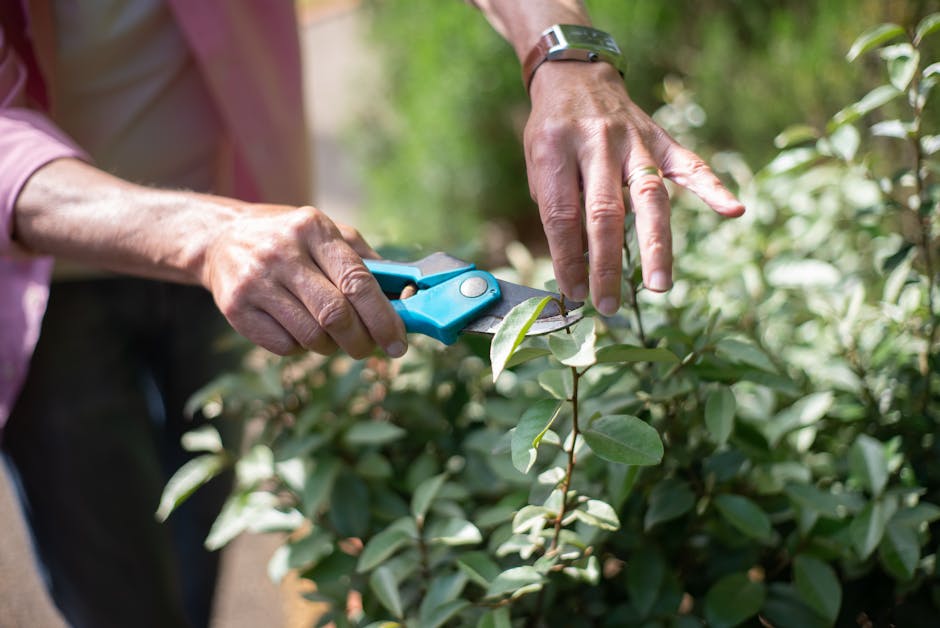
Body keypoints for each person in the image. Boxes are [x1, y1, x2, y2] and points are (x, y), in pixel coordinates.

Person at [0, 1, 744, 626]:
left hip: (248, 219)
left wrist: (563, 51)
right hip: (44, 276)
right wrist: (204, 236)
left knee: (197, 530)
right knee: (112, 586)